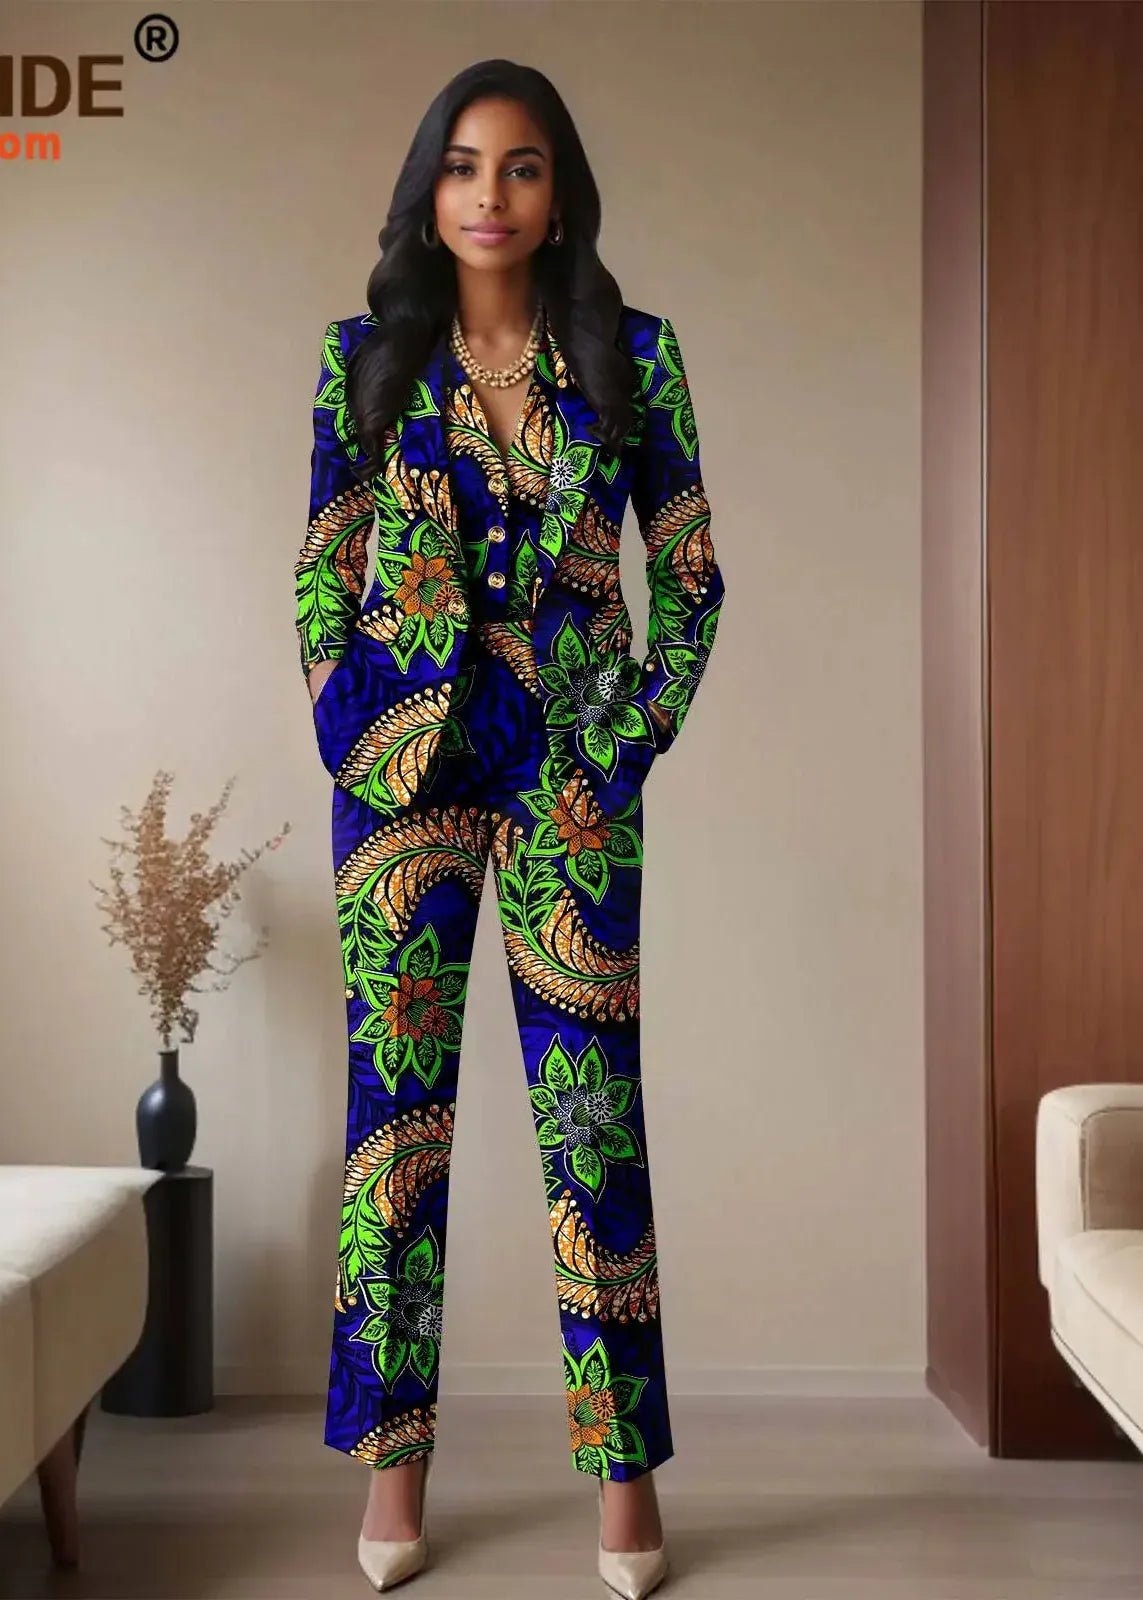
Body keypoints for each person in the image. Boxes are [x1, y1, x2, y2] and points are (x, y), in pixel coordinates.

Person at [295, 57, 725, 1598]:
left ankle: (625, 1495)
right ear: (431, 189)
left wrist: (625, 746)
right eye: (465, 166)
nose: (490, 195)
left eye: (522, 167)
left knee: (587, 1129)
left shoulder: (636, 357)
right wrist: (358, 733)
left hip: (568, 787)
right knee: (392, 1143)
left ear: (560, 194)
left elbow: (691, 572)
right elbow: (319, 575)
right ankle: (393, 1477)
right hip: (398, 791)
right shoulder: (364, 363)